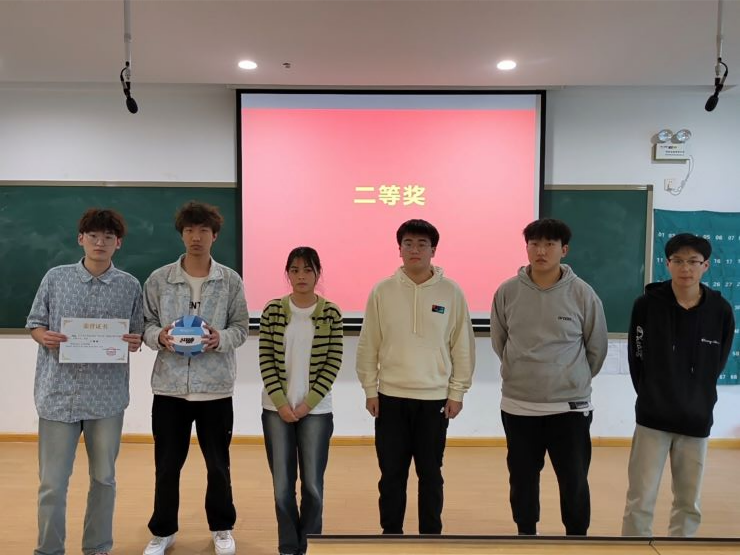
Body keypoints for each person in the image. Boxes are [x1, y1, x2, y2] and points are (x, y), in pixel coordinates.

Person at [26, 208, 144, 555]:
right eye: (93, 236)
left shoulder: (129, 285)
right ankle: (48, 550)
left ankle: (97, 548)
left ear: (118, 243)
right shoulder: (55, 278)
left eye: (108, 237)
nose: (100, 243)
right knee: (52, 483)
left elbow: (136, 333)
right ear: (81, 239)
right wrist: (43, 336)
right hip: (57, 395)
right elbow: (35, 323)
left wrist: (134, 341)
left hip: (106, 399)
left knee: (104, 478)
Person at [141, 201, 249, 555]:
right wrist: (160, 337)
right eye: (189, 230)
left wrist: (221, 339)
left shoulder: (229, 280)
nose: (196, 237)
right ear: (182, 234)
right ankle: (163, 531)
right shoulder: (159, 279)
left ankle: (221, 527)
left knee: (218, 466)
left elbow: (241, 328)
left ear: (215, 235)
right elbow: (145, 324)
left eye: (203, 230)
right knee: (166, 466)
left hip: (215, 389)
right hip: (169, 388)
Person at [356, 219, 475, 535]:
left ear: (433, 250)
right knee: (391, 474)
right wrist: (370, 389)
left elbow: (462, 345)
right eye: (408, 243)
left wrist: (457, 392)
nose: (415, 250)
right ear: (399, 249)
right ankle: (390, 534)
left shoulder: (451, 292)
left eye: (422, 244)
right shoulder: (382, 291)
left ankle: (431, 536)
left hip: (434, 400)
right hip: (390, 398)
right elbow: (369, 343)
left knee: (431, 474)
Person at [490, 218, 608, 536]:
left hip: (569, 408)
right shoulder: (507, 291)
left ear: (564, 250)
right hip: (519, 406)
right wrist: (522, 372)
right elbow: (501, 342)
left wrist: (570, 378)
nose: (541, 251)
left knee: (574, 479)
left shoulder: (583, 294)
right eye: (535, 244)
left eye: (549, 244)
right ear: (527, 247)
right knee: (522, 478)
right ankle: (526, 533)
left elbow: (596, 348)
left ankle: (576, 537)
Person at [621, 233, 735, 537]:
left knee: (688, 503)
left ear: (706, 265)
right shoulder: (646, 305)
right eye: (679, 261)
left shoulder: (720, 311)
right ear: (667, 263)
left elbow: (717, 362)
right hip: (652, 418)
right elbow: (636, 357)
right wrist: (651, 395)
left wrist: (697, 395)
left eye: (694, 261)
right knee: (640, 499)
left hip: (696, 419)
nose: (686, 268)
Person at [259, 246, 343, 555]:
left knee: (313, 486)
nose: (301, 276)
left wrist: (308, 404)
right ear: (288, 274)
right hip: (275, 410)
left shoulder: (331, 312)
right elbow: (266, 359)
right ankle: (287, 544)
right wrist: (281, 403)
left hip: (316, 411)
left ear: (318, 273)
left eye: (308, 269)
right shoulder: (273, 310)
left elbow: (333, 362)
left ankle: (309, 544)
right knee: (282, 486)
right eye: (294, 270)